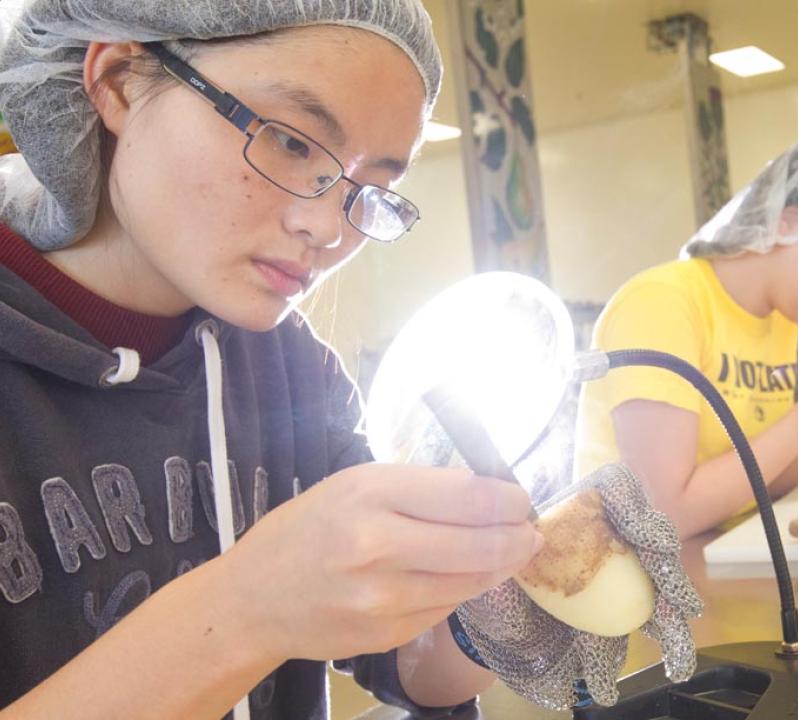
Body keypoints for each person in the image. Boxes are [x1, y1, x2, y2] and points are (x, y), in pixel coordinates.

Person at [0, 2, 541, 717]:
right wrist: (249, 608)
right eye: (291, 143)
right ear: (120, 81)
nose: (325, 227)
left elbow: (408, 663)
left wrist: (519, 587)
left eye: (369, 190)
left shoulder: (294, 371)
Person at [575, 128, 798, 539]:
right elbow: (664, 516)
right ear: (791, 221)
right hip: (628, 585)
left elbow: (744, 489)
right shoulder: (661, 305)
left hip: (720, 560)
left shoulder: (779, 322)